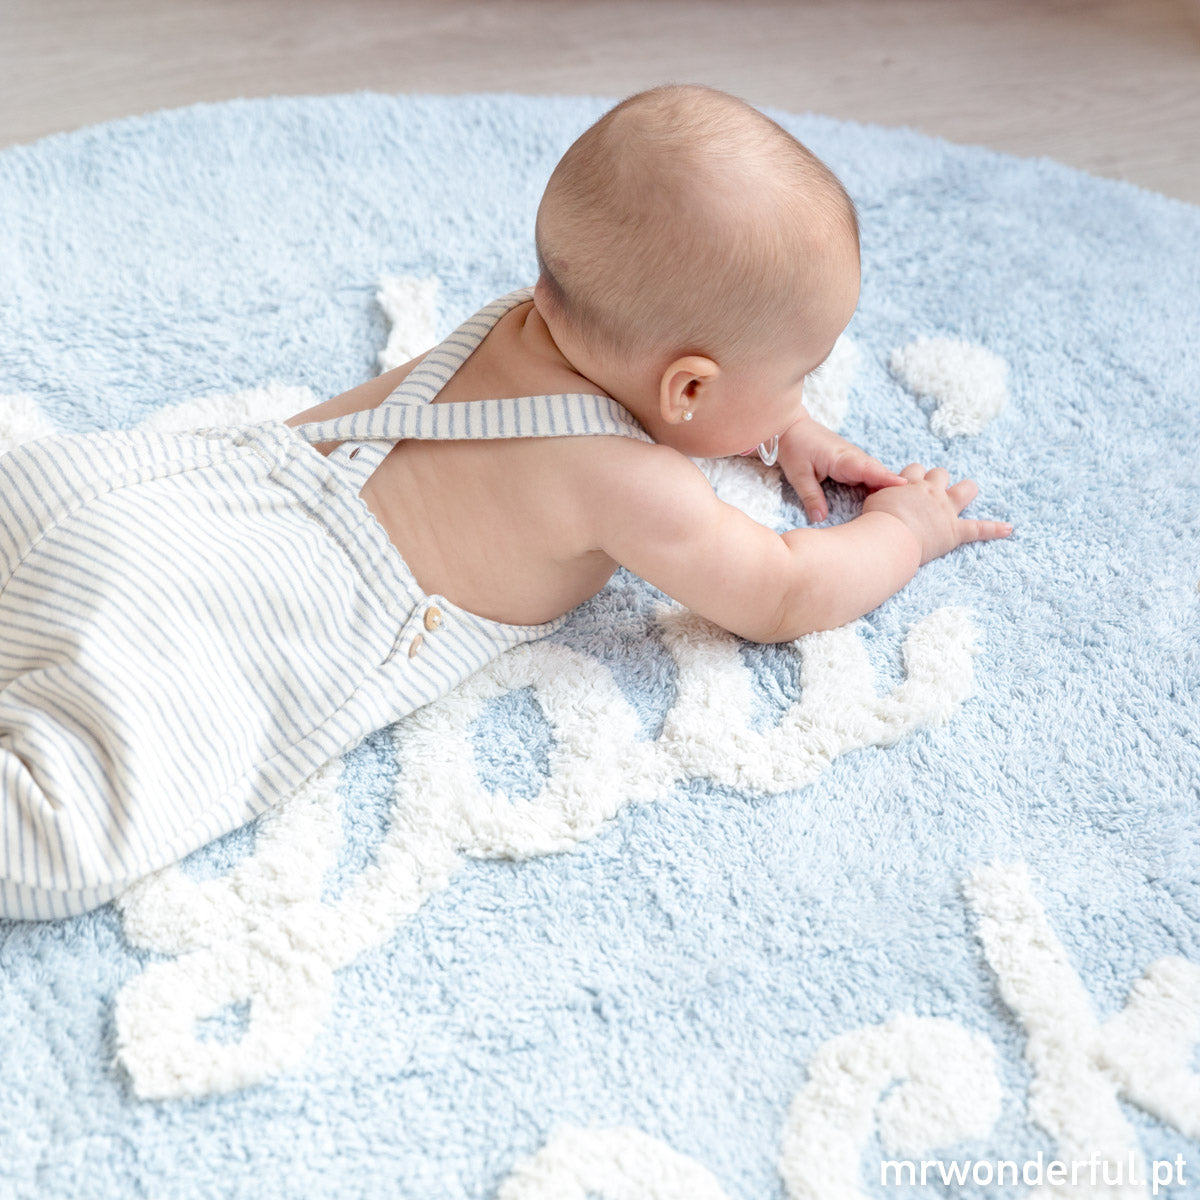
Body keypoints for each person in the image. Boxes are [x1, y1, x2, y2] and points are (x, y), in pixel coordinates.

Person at [0, 84, 1009, 919]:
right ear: (689, 390)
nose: (799, 403)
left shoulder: (514, 322)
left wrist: (781, 426)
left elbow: (687, 394)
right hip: (263, 612)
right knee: (58, 837)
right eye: (796, 378)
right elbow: (783, 593)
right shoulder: (631, 482)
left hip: (151, 497)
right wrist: (903, 532)